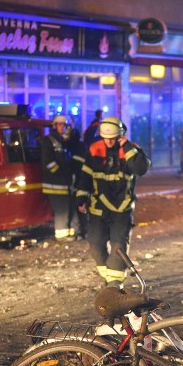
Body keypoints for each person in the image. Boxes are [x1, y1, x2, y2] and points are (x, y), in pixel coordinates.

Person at [76, 116, 150, 287]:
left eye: (113, 138)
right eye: (106, 138)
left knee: (118, 245)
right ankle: (109, 277)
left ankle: (114, 284)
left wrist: (127, 146)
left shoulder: (131, 150)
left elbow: (141, 169)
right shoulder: (95, 149)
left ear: (120, 135)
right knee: (95, 244)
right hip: (98, 207)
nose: (109, 142)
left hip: (122, 209)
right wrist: (81, 197)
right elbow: (85, 176)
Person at [40, 115, 78, 242]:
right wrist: (61, 173)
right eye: (60, 124)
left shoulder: (63, 141)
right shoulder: (48, 141)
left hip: (64, 182)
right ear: (55, 126)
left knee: (68, 207)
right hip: (54, 182)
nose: (63, 127)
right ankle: (61, 235)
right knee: (61, 208)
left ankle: (71, 232)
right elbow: (48, 162)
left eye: (64, 125)